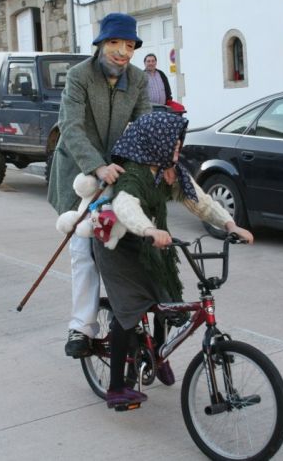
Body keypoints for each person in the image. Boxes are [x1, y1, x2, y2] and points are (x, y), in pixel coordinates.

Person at [92, 111, 253, 408]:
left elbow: (199, 200)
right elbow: (125, 206)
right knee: (128, 311)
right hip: (120, 246)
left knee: (167, 297)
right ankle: (116, 387)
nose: (178, 146)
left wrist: (230, 225)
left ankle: (157, 352)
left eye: (178, 141)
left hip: (149, 240)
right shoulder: (135, 173)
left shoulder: (169, 170)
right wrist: (150, 229)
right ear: (157, 142)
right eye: (174, 141)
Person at [47, 12, 152, 358]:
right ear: (101, 44)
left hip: (115, 170)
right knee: (83, 249)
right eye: (115, 43)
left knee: (123, 243)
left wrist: (151, 162)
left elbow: (143, 125)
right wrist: (96, 165)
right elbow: (71, 126)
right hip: (78, 170)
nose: (122, 51)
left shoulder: (137, 79)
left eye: (129, 45)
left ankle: (132, 318)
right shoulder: (79, 77)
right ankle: (81, 327)